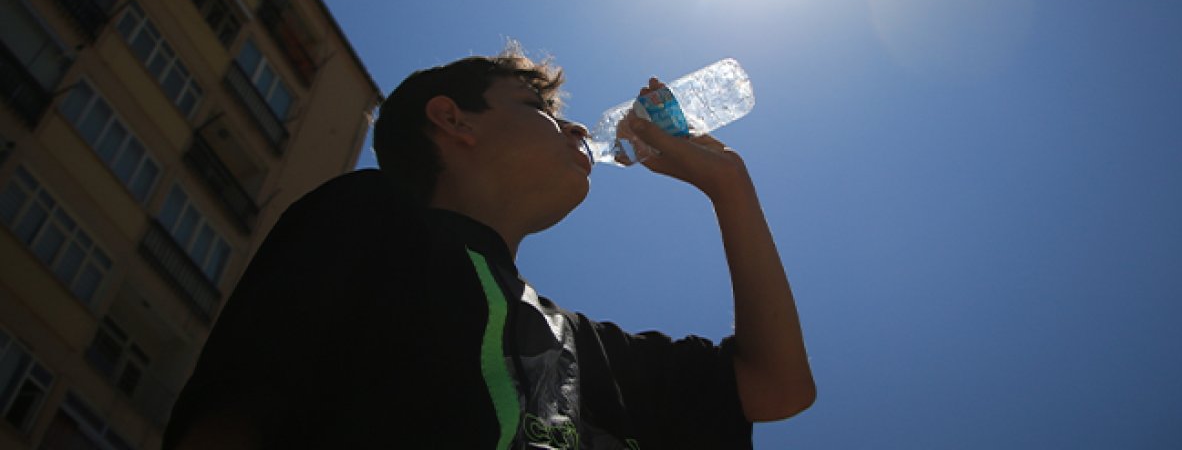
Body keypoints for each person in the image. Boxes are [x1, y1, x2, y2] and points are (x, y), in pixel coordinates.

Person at [163, 44, 815, 449]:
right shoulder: (372, 219)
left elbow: (776, 388)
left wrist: (729, 186)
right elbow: (239, 411)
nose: (580, 129)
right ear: (453, 120)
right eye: (540, 107)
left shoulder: (577, 347)